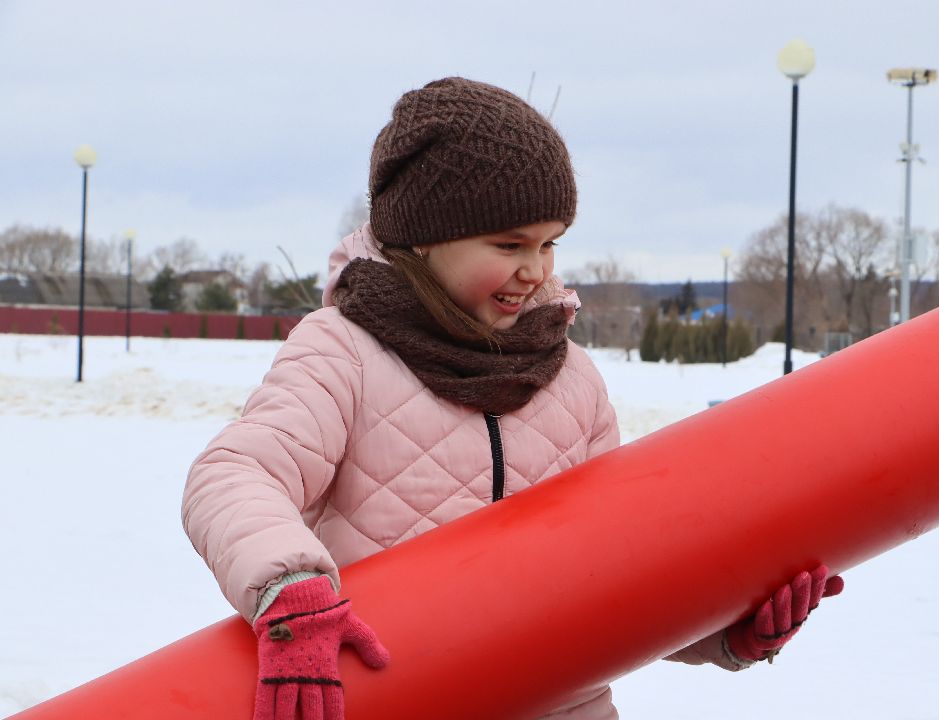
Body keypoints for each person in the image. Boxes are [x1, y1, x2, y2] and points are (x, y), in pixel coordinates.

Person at [182, 76, 843, 720]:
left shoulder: (572, 378)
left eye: (550, 242)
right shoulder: (343, 351)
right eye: (509, 244)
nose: (537, 270)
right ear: (424, 239)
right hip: (402, 694)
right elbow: (235, 474)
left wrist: (728, 628)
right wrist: (289, 588)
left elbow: (619, 573)